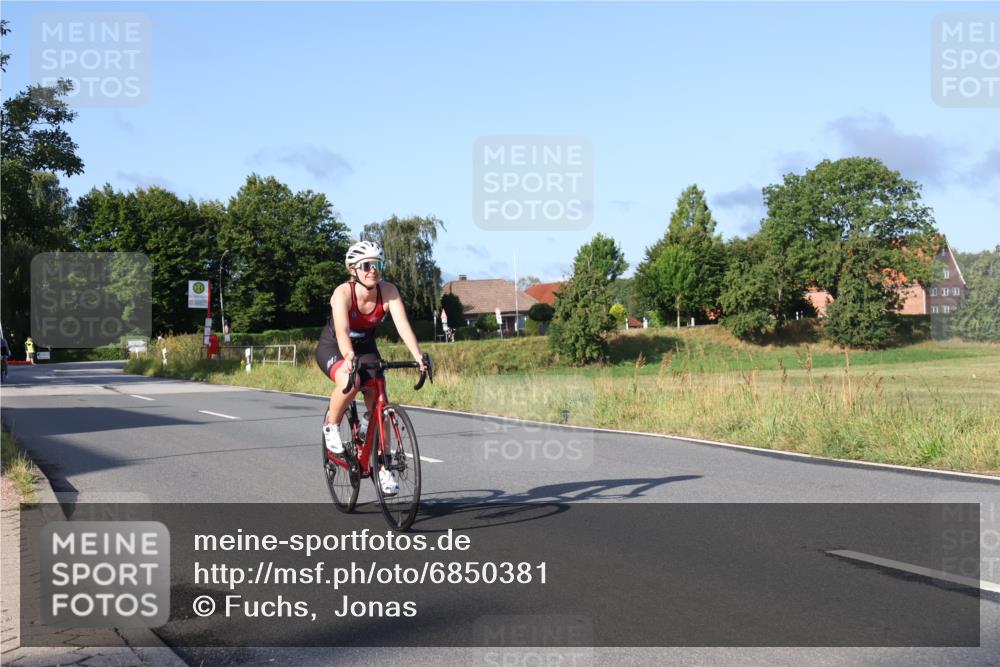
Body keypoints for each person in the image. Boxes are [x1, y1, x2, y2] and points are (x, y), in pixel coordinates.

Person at [315, 240, 426, 496]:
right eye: (366, 265)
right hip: (334, 346)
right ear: (353, 269)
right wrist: (348, 356)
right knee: (351, 381)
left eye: (377, 264)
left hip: (365, 348)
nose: (372, 270)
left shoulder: (388, 291)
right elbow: (342, 331)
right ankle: (331, 425)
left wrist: (418, 356)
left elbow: (402, 325)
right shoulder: (342, 293)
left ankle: (383, 467)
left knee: (380, 405)